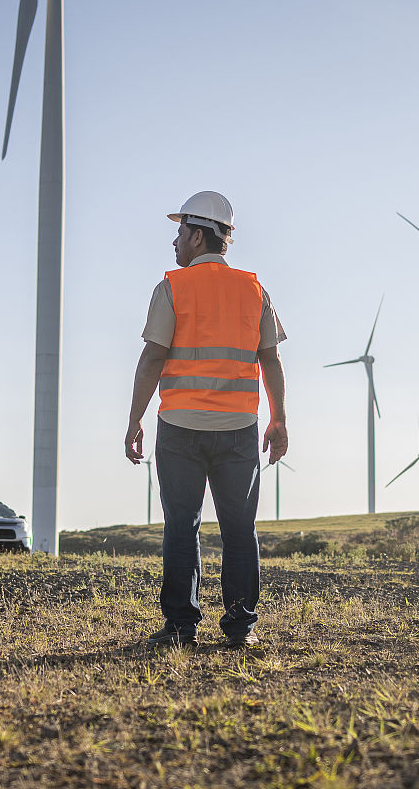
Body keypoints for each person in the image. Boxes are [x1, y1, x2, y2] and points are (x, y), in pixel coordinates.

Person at [124, 191, 288, 648]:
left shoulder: (172, 287)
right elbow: (270, 360)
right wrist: (279, 419)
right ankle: (240, 628)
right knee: (240, 530)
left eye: (179, 232)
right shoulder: (254, 289)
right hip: (239, 431)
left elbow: (152, 358)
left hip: (180, 428)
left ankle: (180, 627)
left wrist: (135, 420)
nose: (174, 241)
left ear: (198, 235)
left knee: (182, 526)